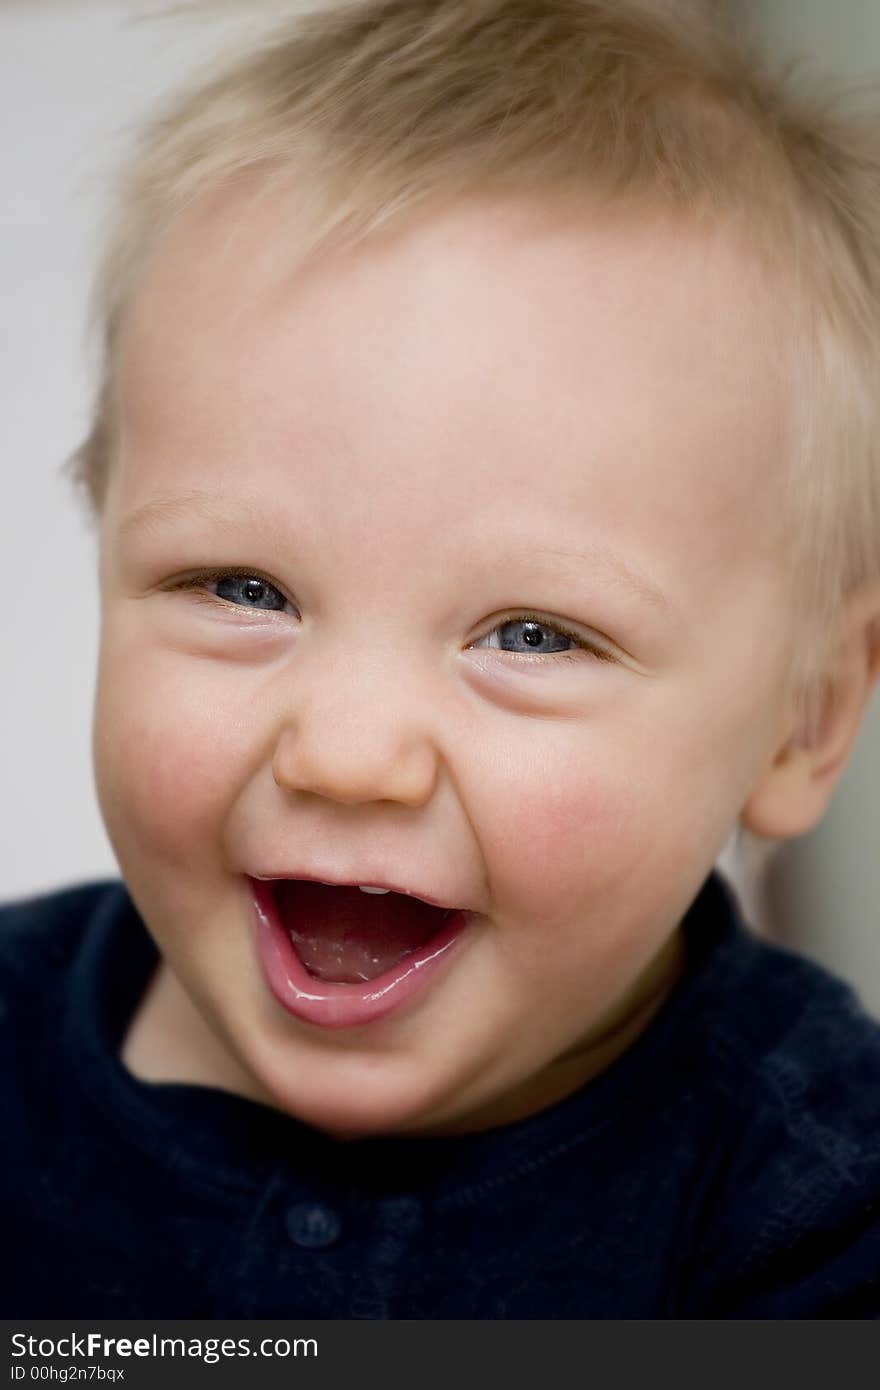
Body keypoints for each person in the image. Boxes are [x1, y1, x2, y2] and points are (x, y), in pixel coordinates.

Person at [3, 0, 880, 1319]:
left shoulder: (812, 1190)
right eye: (244, 587)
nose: (348, 752)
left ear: (803, 721)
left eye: (532, 634)